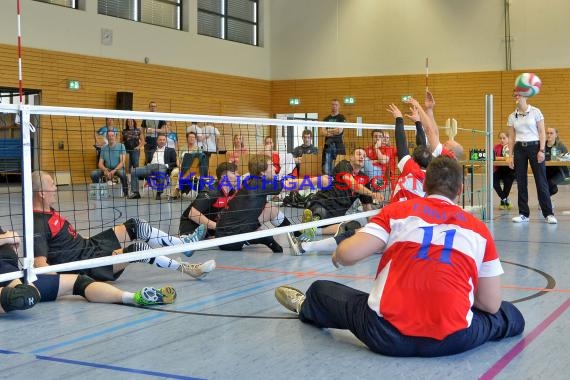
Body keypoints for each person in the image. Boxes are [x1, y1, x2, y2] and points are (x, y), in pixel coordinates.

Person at [275, 156, 525, 357]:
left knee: (321, 291)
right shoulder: (479, 230)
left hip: (386, 334)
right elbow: (490, 305)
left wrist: (339, 255)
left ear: (424, 185)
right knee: (508, 315)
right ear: (460, 189)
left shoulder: (397, 212)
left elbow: (347, 254)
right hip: (454, 339)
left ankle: (305, 306)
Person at [32, 171, 214, 281]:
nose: (56, 188)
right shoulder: (38, 224)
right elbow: (40, 264)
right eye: (52, 185)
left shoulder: (49, 211)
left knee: (136, 225)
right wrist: (69, 284)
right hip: (87, 264)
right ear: (41, 193)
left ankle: (183, 245)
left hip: (88, 247)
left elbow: (63, 243)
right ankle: (190, 269)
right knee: (138, 249)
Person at [0, 227, 177, 313]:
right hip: (7, 277)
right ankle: (18, 295)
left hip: (15, 274)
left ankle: (132, 298)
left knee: (79, 281)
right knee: (21, 296)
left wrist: (9, 240)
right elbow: (9, 238)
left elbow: (13, 236)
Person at [215, 155, 329, 252]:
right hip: (230, 241)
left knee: (269, 208)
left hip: (225, 231)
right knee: (265, 234)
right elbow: (291, 185)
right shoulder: (260, 185)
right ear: (262, 172)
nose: (275, 168)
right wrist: (318, 180)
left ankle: (296, 235)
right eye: (271, 166)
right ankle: (264, 238)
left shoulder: (253, 180)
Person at [302, 148, 383, 235]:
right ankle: (310, 224)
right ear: (351, 157)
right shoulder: (344, 164)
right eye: (359, 154)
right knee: (320, 212)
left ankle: (314, 231)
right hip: (323, 203)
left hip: (337, 215)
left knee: (353, 226)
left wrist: (373, 227)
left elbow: (367, 206)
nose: (362, 157)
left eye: (364, 156)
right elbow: (353, 184)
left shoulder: (364, 178)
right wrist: (372, 194)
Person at [507, 91, 556, 224]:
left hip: (535, 147)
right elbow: (511, 137)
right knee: (521, 182)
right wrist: (510, 156)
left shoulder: (536, 112)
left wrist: (541, 150)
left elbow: (541, 132)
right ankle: (523, 214)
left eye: (518, 94)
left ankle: (548, 213)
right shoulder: (512, 116)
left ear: (525, 96)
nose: (516, 96)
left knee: (541, 181)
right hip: (519, 149)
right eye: (515, 95)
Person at [179, 162, 239, 238]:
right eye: (234, 173)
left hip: (209, 229)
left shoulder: (232, 193)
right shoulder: (212, 192)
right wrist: (217, 226)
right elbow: (192, 214)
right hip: (191, 228)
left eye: (237, 173)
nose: (238, 175)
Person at [129, 133, 177, 200]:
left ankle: (159, 193)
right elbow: (148, 160)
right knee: (134, 171)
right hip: (150, 167)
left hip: (162, 167)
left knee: (161, 170)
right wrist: (148, 163)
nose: (162, 141)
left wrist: (166, 165)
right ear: (157, 141)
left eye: (163, 140)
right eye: (160, 140)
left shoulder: (171, 150)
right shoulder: (152, 150)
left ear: (166, 141)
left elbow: (174, 162)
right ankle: (136, 193)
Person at [90, 129, 129, 198]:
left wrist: (114, 171)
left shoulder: (121, 146)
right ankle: (98, 192)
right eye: (109, 136)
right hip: (107, 169)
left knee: (123, 174)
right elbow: (100, 164)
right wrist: (105, 170)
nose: (111, 137)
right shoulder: (104, 148)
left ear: (115, 137)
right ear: (107, 138)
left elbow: (122, 162)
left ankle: (126, 193)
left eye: (112, 135)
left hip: (118, 169)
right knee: (93, 173)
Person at [169, 131, 208, 199]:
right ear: (187, 138)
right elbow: (178, 158)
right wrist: (179, 166)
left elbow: (199, 162)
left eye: (193, 137)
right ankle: (177, 190)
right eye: (190, 137)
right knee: (174, 172)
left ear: (195, 139)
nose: (192, 139)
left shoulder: (198, 149)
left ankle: (176, 191)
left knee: (181, 173)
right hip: (181, 167)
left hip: (193, 169)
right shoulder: (183, 148)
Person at [321, 99, 346, 175]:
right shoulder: (326, 119)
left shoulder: (341, 117)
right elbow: (322, 132)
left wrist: (328, 131)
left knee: (338, 166)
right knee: (327, 167)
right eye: (333, 104)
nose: (334, 106)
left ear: (339, 106)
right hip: (328, 145)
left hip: (338, 145)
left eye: (336, 105)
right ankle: (327, 184)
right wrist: (333, 131)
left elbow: (339, 131)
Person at [493, 131, 516, 209]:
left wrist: (501, 158)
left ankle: (503, 202)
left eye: (504, 138)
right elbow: (493, 157)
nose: (502, 140)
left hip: (510, 170)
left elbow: (512, 158)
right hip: (499, 169)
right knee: (494, 182)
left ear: (508, 138)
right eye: (500, 138)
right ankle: (505, 200)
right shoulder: (496, 147)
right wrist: (504, 158)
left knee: (507, 184)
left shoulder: (512, 147)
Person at [545, 127, 569, 198]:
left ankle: (544, 203)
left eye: (551, 133)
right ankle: (546, 202)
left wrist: (561, 158)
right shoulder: (542, 145)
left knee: (549, 184)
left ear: (556, 135)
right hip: (547, 171)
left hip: (560, 171)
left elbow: (567, 158)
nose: (549, 135)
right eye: (547, 133)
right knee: (545, 187)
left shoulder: (561, 145)